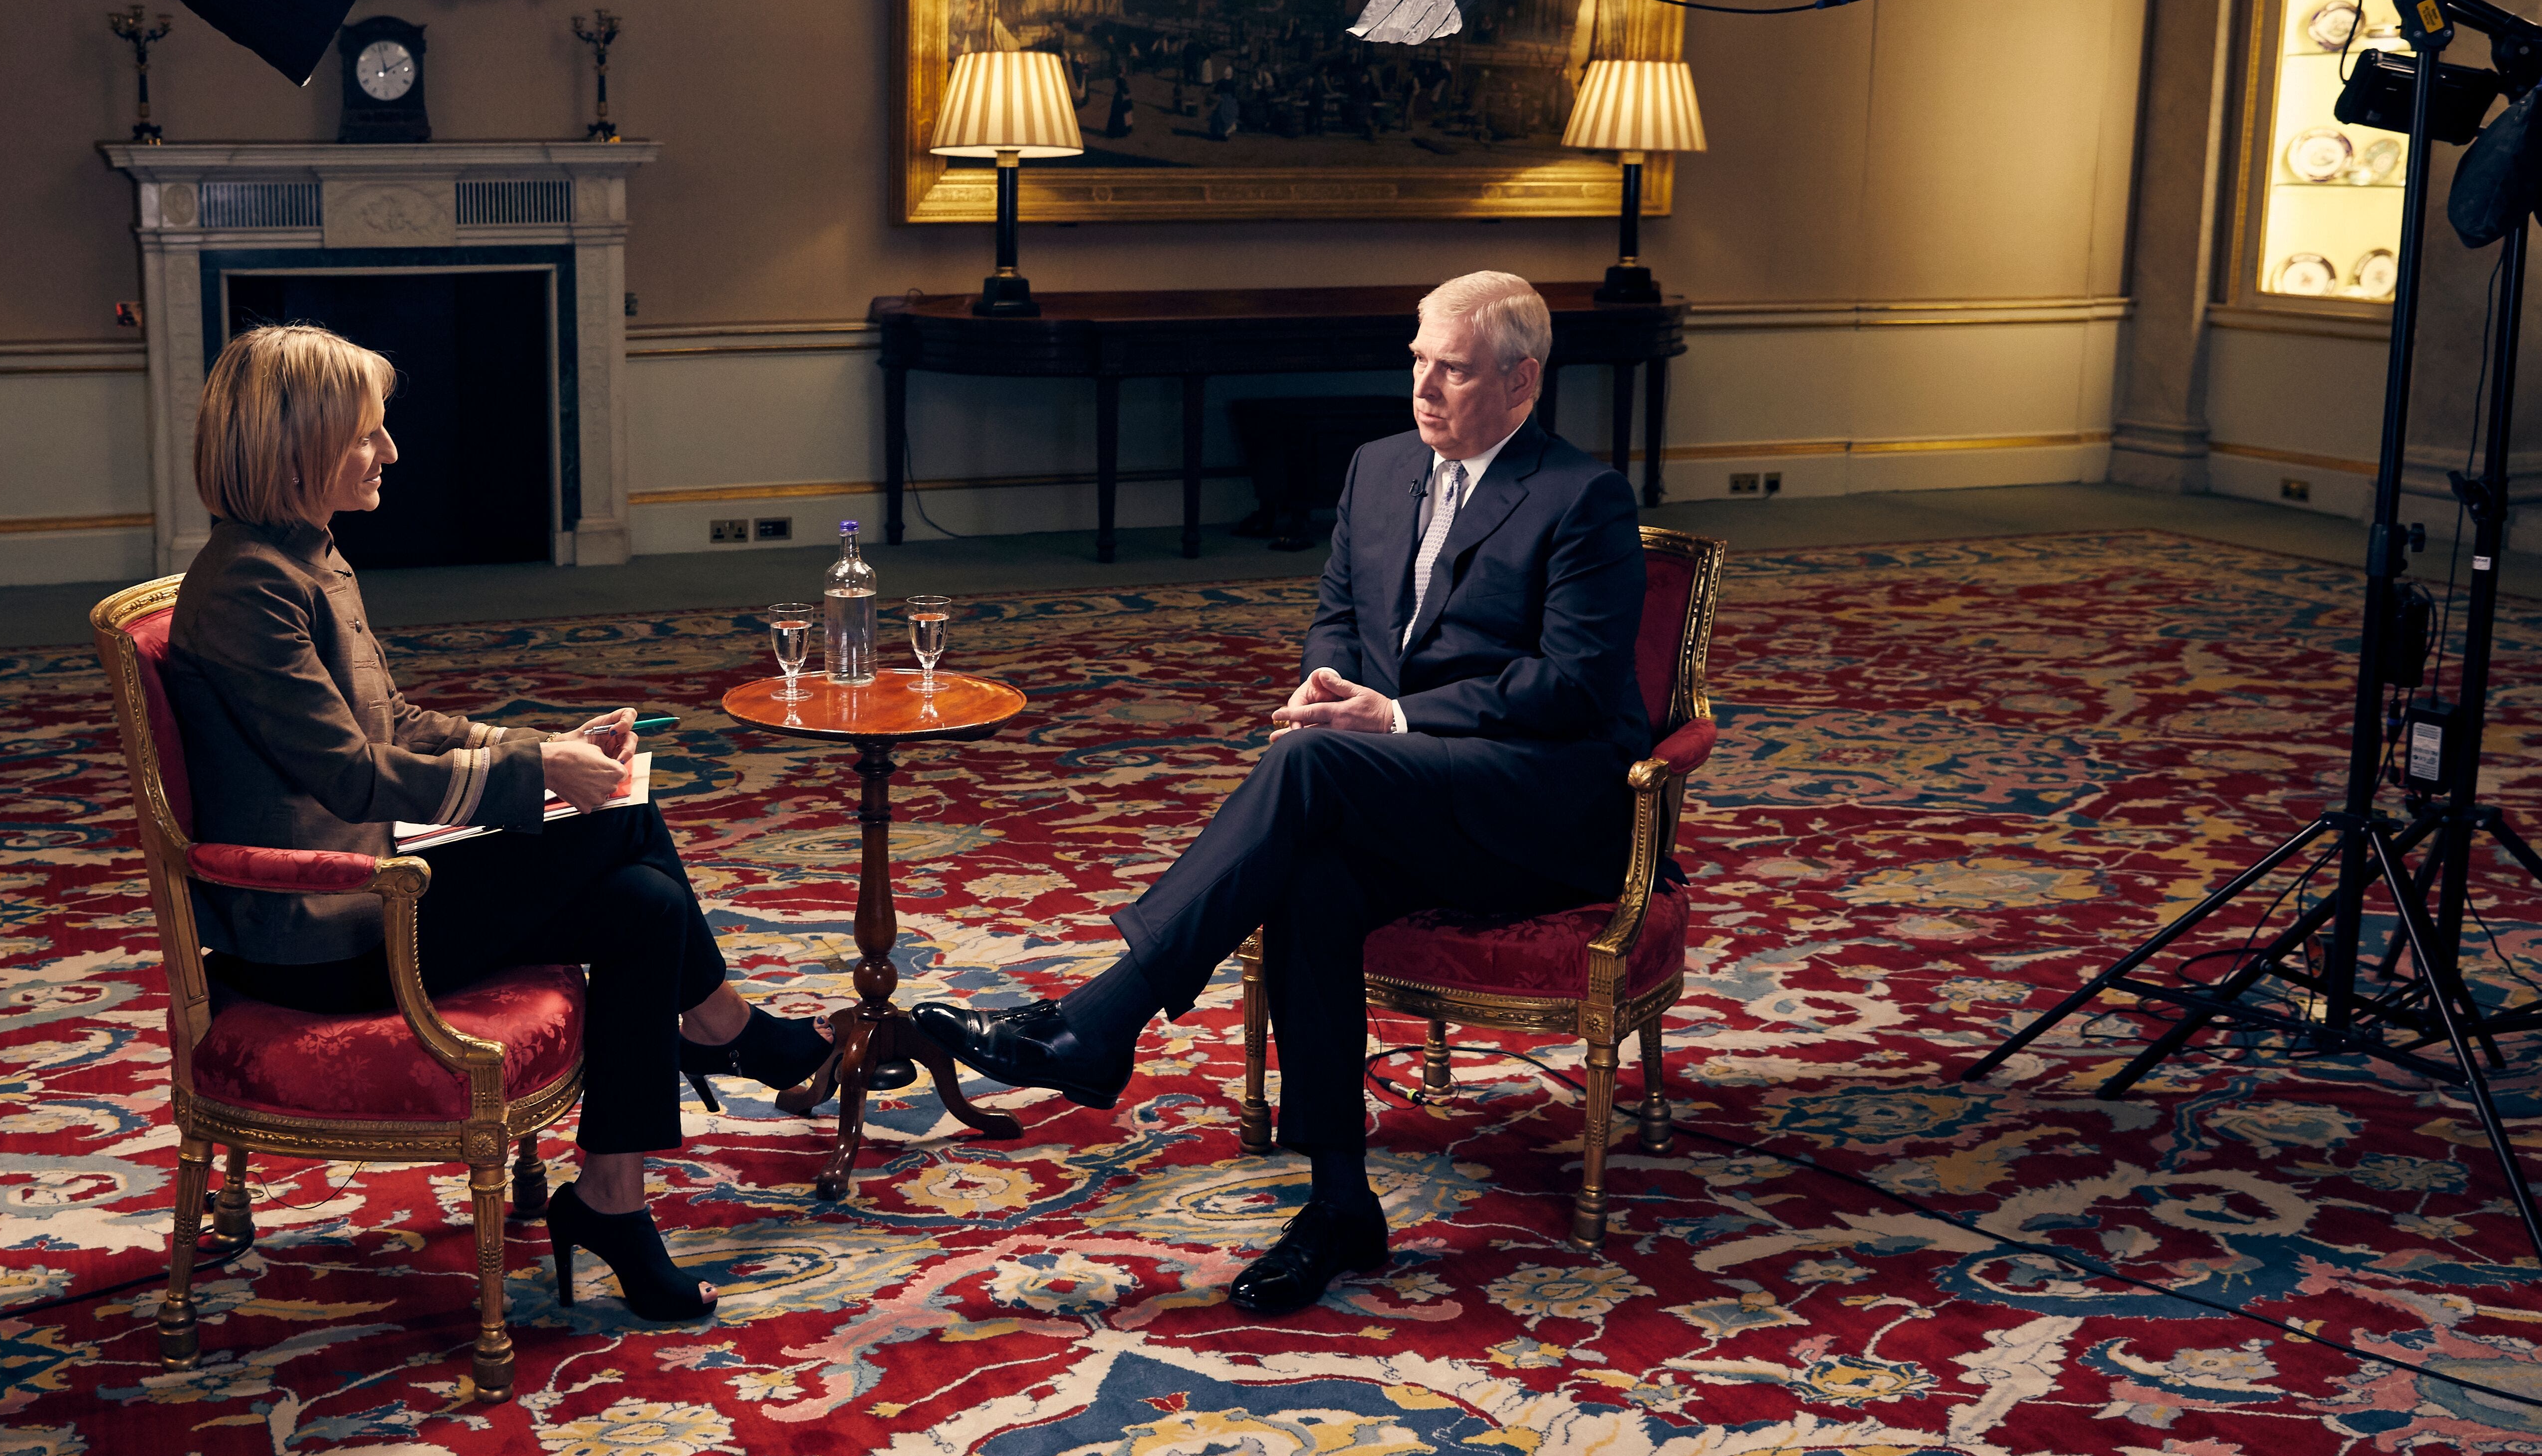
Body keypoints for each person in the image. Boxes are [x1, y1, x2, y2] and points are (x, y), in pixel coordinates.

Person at [912, 272, 1648, 1315]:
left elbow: (1571, 684)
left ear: (1522, 380)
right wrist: (1328, 677)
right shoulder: (1379, 467)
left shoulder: (1581, 495)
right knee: (1310, 872)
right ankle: (1340, 1202)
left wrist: (1387, 717)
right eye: (1417, 361)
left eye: (1454, 368)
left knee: (1311, 765)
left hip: (1536, 801)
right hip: (1401, 792)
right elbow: (1339, 611)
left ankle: (1102, 1017)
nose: (1425, 388)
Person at [163, 325, 829, 1323]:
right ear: (295, 447)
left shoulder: (306, 559)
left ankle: (614, 1196)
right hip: (321, 934)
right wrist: (537, 772)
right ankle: (733, 1029)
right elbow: (349, 775)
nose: (389, 453)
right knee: (621, 829)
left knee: (645, 903)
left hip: (368, 889)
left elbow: (400, 724)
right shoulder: (249, 587)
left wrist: (543, 742)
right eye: (366, 436)